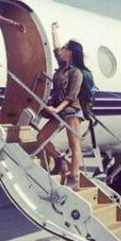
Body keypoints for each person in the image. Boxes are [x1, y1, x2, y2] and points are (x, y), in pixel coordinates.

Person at [36, 21, 85, 191]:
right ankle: (59, 160)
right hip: (59, 112)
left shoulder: (76, 73)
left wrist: (57, 109)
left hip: (71, 112)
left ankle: (74, 178)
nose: (62, 50)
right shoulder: (62, 67)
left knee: (74, 145)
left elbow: (72, 97)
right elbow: (56, 48)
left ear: (70, 52)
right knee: (42, 137)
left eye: (65, 48)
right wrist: (53, 31)